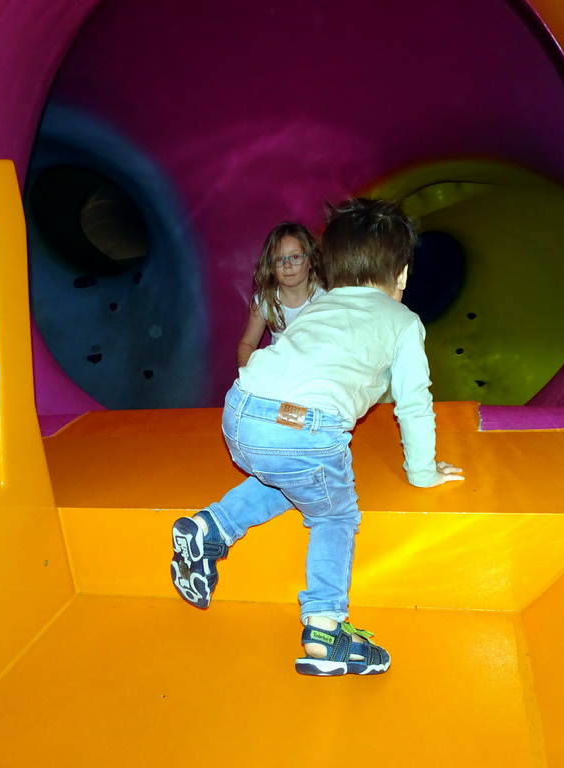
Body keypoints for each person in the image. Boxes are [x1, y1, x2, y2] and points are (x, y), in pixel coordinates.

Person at [171, 198, 464, 676]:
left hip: (241, 410)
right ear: (403, 274)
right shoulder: (404, 322)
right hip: (303, 429)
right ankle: (326, 629)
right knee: (335, 516)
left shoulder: (319, 307)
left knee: (296, 478)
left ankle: (210, 529)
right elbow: (414, 402)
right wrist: (423, 471)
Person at [236, 222, 324, 367]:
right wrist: (247, 379)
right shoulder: (265, 301)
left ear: (312, 260)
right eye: (279, 259)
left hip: (316, 368)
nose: (287, 265)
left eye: (295, 257)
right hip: (280, 370)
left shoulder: (324, 297)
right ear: (270, 266)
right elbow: (247, 344)